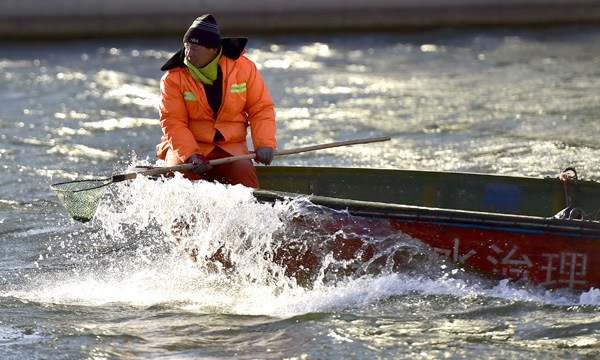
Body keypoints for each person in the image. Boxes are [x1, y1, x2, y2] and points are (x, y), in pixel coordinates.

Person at [155, 14, 276, 188]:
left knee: (244, 174)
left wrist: (264, 143)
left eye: (194, 49)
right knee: (179, 175)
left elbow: (261, 108)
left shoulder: (245, 68)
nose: (188, 54)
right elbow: (172, 121)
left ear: (213, 50)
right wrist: (191, 154)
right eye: (186, 46)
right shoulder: (172, 78)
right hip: (187, 149)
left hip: (231, 148)